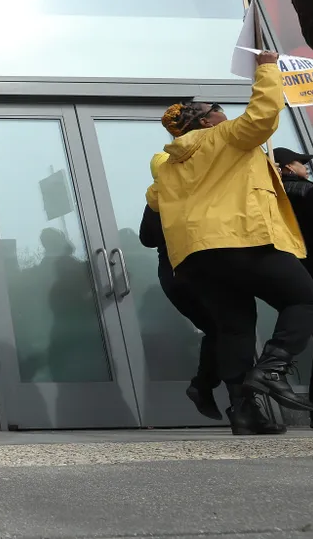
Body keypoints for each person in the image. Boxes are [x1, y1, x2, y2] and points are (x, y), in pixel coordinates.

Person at [148, 50, 313, 433]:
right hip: (243, 239)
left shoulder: (168, 164)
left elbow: (155, 202)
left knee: (234, 328)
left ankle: (245, 414)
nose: (225, 113)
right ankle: (272, 370)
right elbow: (263, 113)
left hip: (195, 258)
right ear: (208, 119)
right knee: (306, 299)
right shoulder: (225, 137)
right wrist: (266, 66)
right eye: (219, 108)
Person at [139, 152, 224, 423]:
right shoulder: (183, 192)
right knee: (228, 328)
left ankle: (209, 387)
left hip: (173, 275)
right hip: (195, 270)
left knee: (221, 329)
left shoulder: (156, 198)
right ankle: (235, 400)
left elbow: (146, 239)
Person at [273, 146, 313, 430]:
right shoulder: (308, 193)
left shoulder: (273, 199)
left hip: (294, 274)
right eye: (300, 164)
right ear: (288, 168)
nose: (305, 168)